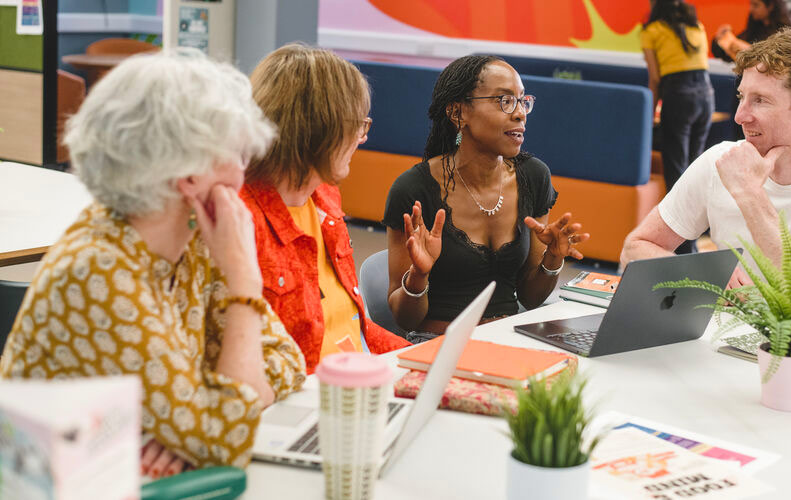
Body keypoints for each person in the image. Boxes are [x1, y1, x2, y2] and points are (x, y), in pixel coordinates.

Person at [0, 49, 306, 477]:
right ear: (190, 177)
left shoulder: (196, 236)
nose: (243, 174)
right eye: (237, 155)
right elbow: (223, 443)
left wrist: (201, 421)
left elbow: (287, 358)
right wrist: (244, 285)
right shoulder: (98, 271)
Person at [620, 29, 791, 290]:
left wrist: (750, 194)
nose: (740, 116)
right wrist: (706, 281)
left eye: (760, 100)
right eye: (742, 97)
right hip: (719, 334)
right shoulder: (720, 159)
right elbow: (634, 249)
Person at [382, 55, 588, 339]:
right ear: (458, 113)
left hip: (508, 339)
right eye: (504, 101)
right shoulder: (414, 190)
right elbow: (405, 319)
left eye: (522, 101)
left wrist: (552, 259)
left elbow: (530, 298)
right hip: (438, 343)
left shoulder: (533, 176)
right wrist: (419, 275)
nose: (519, 113)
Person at [240, 44, 410, 372]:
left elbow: (352, 323)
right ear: (320, 130)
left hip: (358, 378)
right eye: (358, 126)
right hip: (310, 397)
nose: (362, 139)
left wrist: (424, 360)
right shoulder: (241, 219)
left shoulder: (325, 197)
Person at [641, 0, 715, 254]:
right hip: (705, 95)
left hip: (678, 96)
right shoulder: (697, 26)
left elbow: (654, 78)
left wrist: (649, 117)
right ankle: (697, 234)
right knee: (695, 171)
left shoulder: (651, 32)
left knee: (677, 174)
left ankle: (685, 248)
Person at [712, 0, 791, 62]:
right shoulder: (754, 29)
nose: (751, 9)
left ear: (770, 6)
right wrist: (719, 39)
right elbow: (724, 55)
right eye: (750, 4)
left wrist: (751, 50)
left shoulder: (787, 34)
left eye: (756, 5)